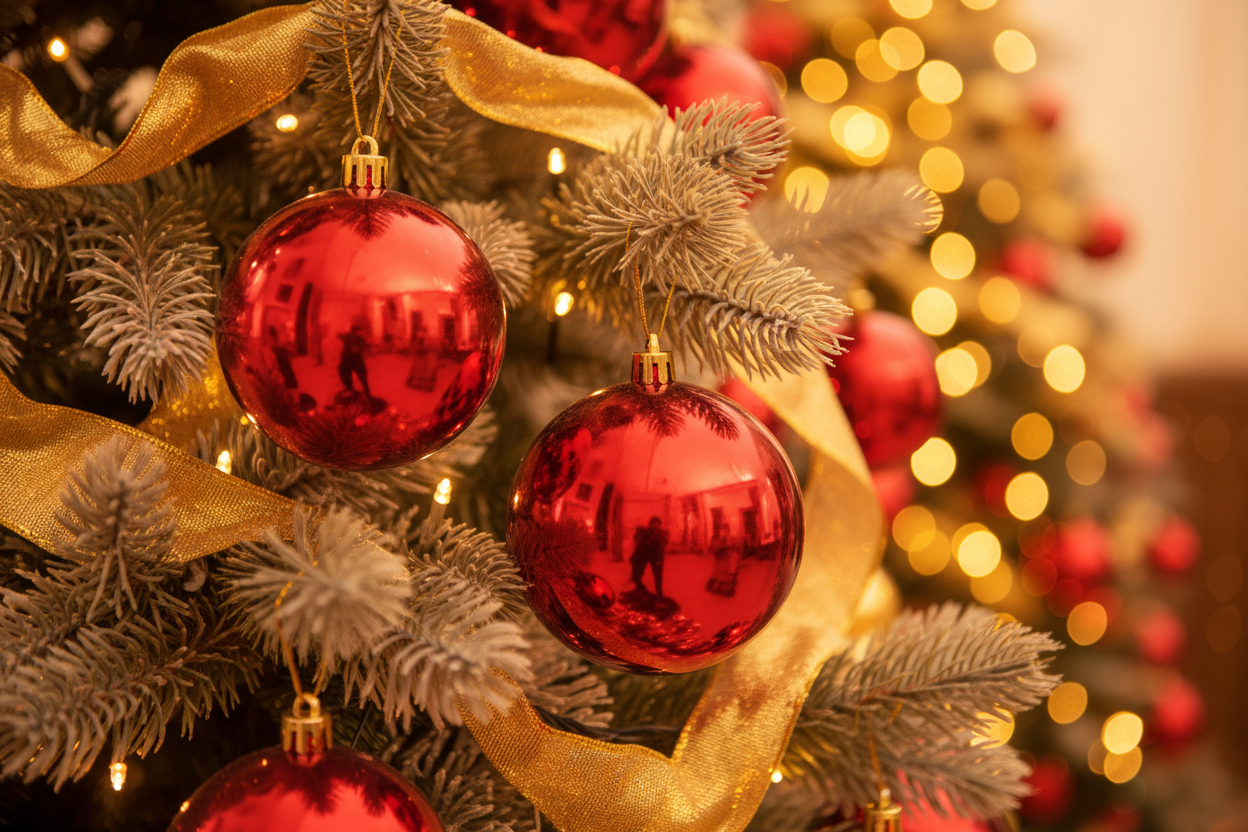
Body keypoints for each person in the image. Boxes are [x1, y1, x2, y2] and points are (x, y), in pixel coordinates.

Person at [629, 517, 669, 597]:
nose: (655, 526)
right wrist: (635, 556)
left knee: (658, 575)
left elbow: (665, 543)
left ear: (659, 525)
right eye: (653, 523)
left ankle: (659, 593)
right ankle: (640, 589)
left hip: (657, 557)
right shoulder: (645, 533)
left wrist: (662, 536)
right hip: (645, 555)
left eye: (657, 524)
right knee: (637, 574)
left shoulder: (661, 533)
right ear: (650, 524)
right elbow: (639, 545)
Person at [337, 322, 372, 399]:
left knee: (359, 376)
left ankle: (362, 391)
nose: (357, 333)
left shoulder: (358, 338)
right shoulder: (352, 337)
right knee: (349, 375)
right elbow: (366, 346)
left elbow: (366, 346)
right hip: (349, 359)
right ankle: (352, 389)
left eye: (358, 331)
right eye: (356, 331)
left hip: (352, 359)